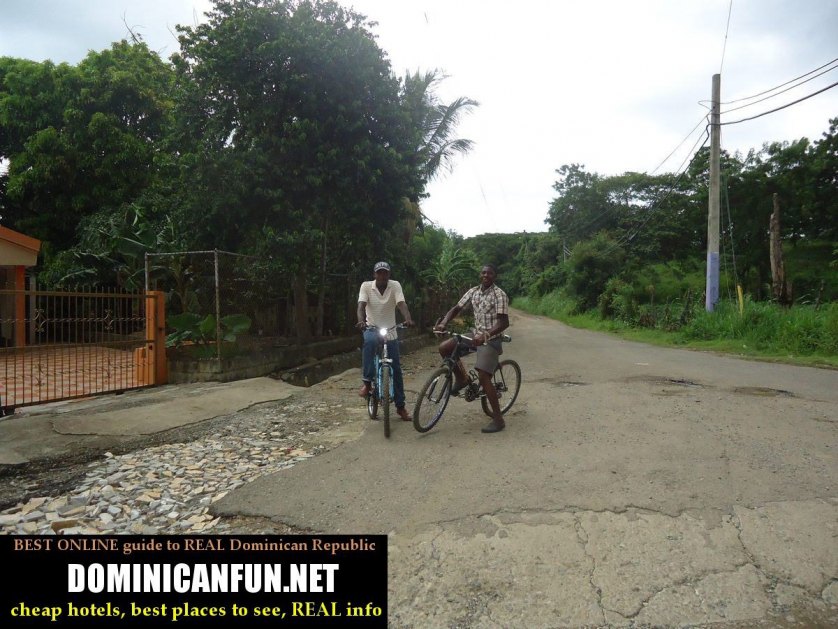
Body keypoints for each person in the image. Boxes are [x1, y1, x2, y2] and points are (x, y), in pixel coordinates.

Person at [434, 264, 510, 433]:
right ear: (480, 275)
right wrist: (444, 323)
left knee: (483, 376)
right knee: (444, 348)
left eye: (489, 273)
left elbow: (504, 322)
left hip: (491, 339)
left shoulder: (500, 294)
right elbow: (456, 308)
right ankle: (462, 379)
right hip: (474, 335)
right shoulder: (473, 291)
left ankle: (498, 420)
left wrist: (486, 335)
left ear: (494, 276)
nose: (486, 275)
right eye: (483, 272)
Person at [356, 261, 414, 421]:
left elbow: (401, 304)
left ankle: (401, 407)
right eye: (379, 273)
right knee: (369, 342)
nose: (382, 275)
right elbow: (361, 306)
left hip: (390, 331)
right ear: (374, 274)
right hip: (372, 328)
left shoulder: (395, 286)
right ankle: (367, 383)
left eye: (385, 273)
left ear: (389, 274)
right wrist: (361, 321)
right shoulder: (366, 286)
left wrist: (408, 318)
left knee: (396, 368)